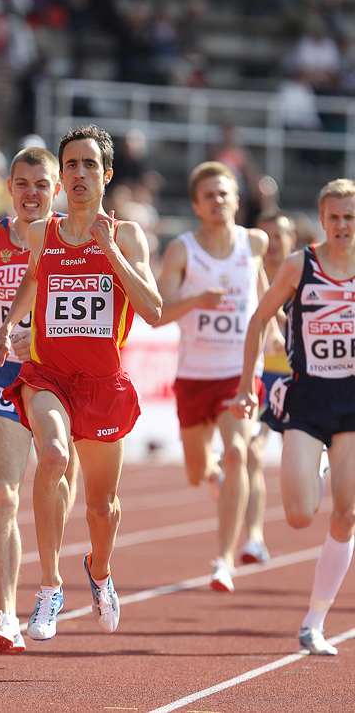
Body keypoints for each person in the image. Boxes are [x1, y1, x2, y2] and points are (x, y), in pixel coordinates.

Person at [0, 124, 162, 636]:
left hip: (104, 386)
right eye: (71, 165)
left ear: (107, 175)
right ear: (61, 176)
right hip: (50, 377)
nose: (79, 174)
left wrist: (110, 251)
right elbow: (31, 284)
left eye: (90, 165)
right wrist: (7, 329)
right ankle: (48, 588)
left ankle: (100, 571)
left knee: (101, 506)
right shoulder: (45, 232)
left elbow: (152, 310)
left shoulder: (127, 235)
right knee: (55, 458)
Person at [0, 146, 80, 654]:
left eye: (41, 185)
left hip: (63, 374)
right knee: (2, 492)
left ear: (57, 190)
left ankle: (51, 578)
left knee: (58, 475)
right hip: (6, 371)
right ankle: (6, 616)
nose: (31, 193)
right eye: (22, 184)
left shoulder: (77, 238)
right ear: (9, 186)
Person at [231, 178, 355, 657]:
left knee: (346, 514)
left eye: (350, 217)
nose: (343, 225)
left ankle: (314, 621)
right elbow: (259, 320)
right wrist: (248, 383)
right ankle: (318, 464)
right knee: (301, 516)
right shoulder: (300, 265)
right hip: (306, 398)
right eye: (335, 217)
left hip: (352, 402)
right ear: (321, 220)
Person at [151, 161, 270, 593]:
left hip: (239, 372)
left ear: (237, 199)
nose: (218, 201)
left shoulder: (253, 242)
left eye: (224, 193)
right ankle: (217, 478)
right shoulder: (183, 250)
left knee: (237, 451)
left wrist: (271, 330)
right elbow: (159, 314)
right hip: (194, 374)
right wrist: (199, 298)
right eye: (209, 196)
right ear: (196, 206)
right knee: (198, 471)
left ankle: (224, 560)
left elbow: (260, 290)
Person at [244, 209, 299, 565]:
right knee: (251, 452)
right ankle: (253, 538)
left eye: (279, 235)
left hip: (301, 381)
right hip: (263, 378)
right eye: (265, 236)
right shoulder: (248, 275)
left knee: (299, 470)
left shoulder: (307, 274)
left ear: (292, 239)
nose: (272, 243)